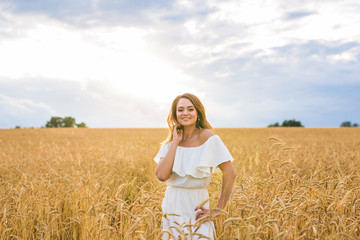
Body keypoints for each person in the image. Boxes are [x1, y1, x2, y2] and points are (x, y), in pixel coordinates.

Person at [154, 93, 236, 239]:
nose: (185, 113)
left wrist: (218, 209)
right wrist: (175, 142)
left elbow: (230, 173)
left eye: (190, 109)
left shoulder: (208, 137)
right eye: (180, 110)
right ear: (174, 115)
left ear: (198, 113)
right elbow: (161, 175)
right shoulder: (170, 143)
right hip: (172, 207)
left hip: (196, 207)